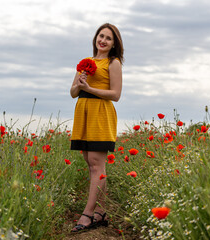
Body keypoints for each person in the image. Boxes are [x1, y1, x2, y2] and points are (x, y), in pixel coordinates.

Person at [69, 23, 124, 232]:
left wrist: (90, 88)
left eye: (108, 38)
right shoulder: (86, 62)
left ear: (113, 44)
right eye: (101, 36)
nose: (103, 40)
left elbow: (116, 94)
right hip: (83, 112)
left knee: (96, 165)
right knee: (91, 164)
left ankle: (88, 215)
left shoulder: (114, 63)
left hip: (101, 113)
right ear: (95, 38)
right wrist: (80, 83)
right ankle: (101, 212)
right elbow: (73, 92)